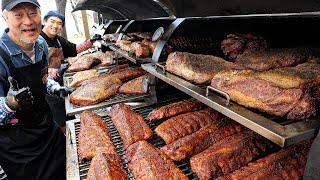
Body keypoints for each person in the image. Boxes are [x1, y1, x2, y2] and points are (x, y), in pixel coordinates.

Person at [0, 0, 67, 179]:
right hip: (19, 147)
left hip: (46, 128)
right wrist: (9, 104)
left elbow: (42, 78)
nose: (28, 21)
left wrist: (55, 88)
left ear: (40, 16)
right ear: (5, 18)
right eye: (18, 15)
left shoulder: (41, 45)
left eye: (32, 13)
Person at [41, 10, 101, 129]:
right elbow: (36, 71)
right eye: (52, 22)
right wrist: (55, 72)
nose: (55, 26)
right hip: (47, 90)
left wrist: (91, 41)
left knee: (68, 116)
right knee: (59, 120)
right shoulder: (37, 41)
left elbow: (74, 49)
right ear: (44, 22)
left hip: (61, 84)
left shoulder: (58, 40)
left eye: (59, 23)